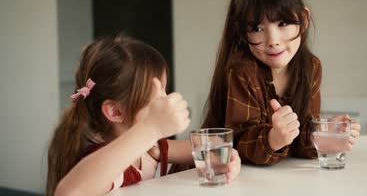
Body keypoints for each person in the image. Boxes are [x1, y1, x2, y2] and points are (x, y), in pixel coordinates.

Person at [202, 0, 361, 165]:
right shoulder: (242, 70)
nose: (273, 40)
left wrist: (323, 135)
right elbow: (238, 144)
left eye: (283, 24)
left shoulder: (310, 66)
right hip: (216, 174)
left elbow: (301, 137)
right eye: (257, 28)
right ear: (242, 32)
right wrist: (273, 138)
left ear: (303, 19)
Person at [47, 35, 241, 196]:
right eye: (156, 97)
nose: (165, 101)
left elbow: (203, 148)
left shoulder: (150, 149)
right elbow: (68, 193)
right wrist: (151, 128)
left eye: (164, 90)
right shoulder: (106, 161)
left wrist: (229, 156)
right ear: (116, 111)